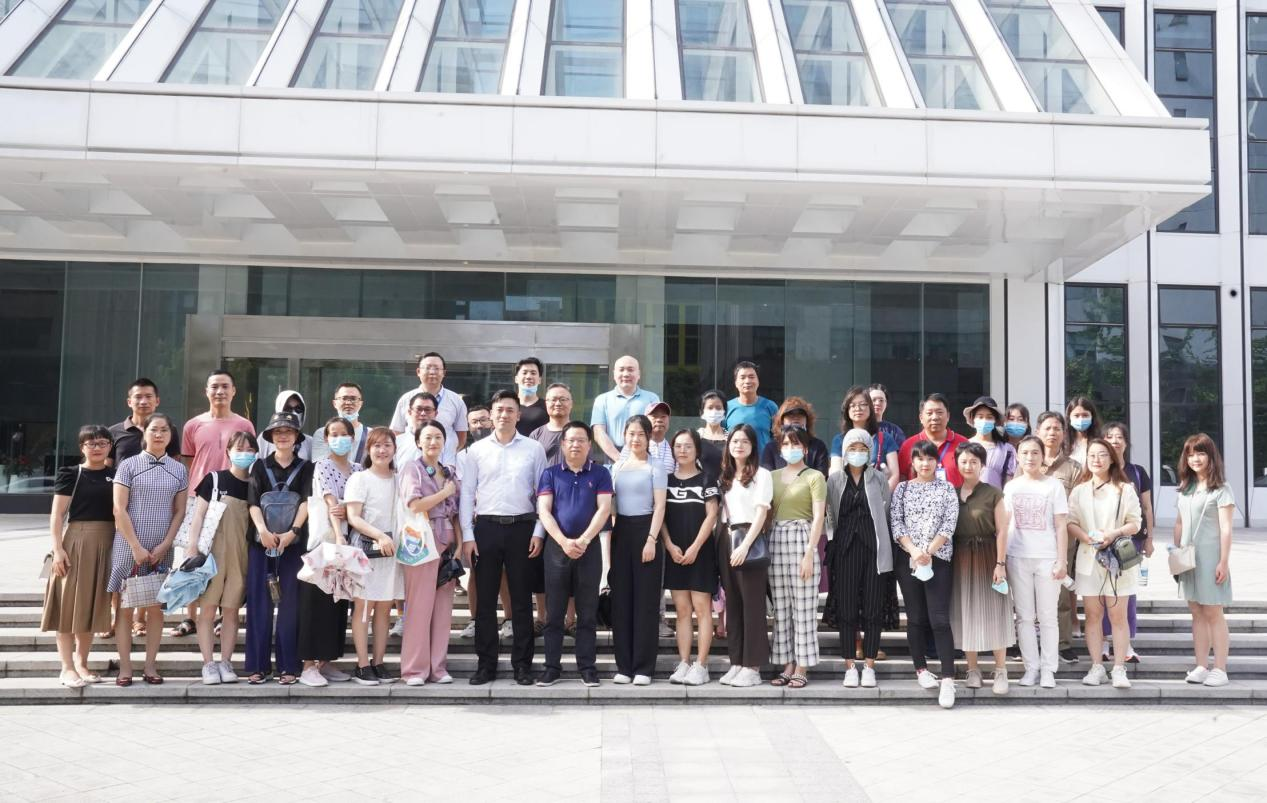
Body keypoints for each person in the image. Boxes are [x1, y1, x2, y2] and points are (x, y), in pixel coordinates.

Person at [459, 390, 548, 685]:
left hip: (523, 528)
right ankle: (486, 665)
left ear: (518, 415)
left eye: (510, 410)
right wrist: (468, 535)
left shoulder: (534, 449)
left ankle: (523, 665)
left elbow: (543, 493)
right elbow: (467, 494)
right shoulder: (477, 450)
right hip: (485, 529)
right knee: (485, 601)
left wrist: (539, 531)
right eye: (499, 410)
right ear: (491, 415)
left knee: (521, 600)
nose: (504, 415)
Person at [108, 413, 188, 686]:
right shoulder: (128, 465)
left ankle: (150, 666)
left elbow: (180, 511)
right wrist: (135, 546)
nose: (159, 434)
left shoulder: (178, 469)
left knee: (156, 608)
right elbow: (119, 509)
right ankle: (125, 668)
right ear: (144, 432)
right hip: (128, 545)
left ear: (170, 435)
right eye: (154, 429)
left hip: (161, 548)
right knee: (125, 607)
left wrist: (166, 544)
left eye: (164, 430)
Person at [536, 421, 613, 687]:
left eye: (581, 440)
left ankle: (587, 668)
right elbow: (544, 510)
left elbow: (604, 509)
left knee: (587, 613)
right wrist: (563, 541)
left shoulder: (601, 473)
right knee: (554, 613)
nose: (576, 445)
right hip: (556, 550)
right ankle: (551, 668)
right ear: (562, 444)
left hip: (589, 549)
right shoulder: (550, 474)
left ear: (590, 445)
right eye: (571, 440)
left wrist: (583, 540)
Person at [42, 426, 115, 687]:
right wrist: (58, 549)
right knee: (67, 606)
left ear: (110, 446)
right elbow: (57, 514)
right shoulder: (71, 473)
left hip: (108, 542)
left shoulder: (116, 475)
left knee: (93, 605)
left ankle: (82, 663)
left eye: (103, 443)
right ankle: (67, 667)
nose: (97, 448)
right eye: (91, 443)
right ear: (81, 447)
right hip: (76, 541)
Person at [1068, 438, 1142, 690]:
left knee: (1118, 616)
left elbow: (1136, 523)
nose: (1096, 460)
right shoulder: (1079, 491)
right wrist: (1085, 537)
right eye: (1092, 455)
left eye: (1102, 455)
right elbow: (1070, 521)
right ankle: (1097, 666)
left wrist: (1113, 533)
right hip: (1089, 559)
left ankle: (1119, 668)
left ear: (1111, 458)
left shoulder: (1125, 489)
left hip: (1117, 560)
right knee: (1092, 615)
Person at [891, 440, 960, 708]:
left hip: (938, 559)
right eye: (920, 458)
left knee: (939, 619)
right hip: (908, 559)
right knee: (916, 618)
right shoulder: (902, 489)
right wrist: (913, 551)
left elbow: (949, 524)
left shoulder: (946, 489)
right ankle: (920, 669)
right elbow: (896, 523)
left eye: (930, 458)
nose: (925, 463)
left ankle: (948, 678)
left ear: (937, 462)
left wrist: (928, 551)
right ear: (912, 462)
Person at [243, 411, 311, 686]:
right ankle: (258, 666)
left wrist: (292, 532)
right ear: (271, 437)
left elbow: (306, 501)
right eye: (278, 432)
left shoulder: (307, 467)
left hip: (293, 545)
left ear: (296, 437)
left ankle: (288, 666)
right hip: (262, 544)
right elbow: (253, 502)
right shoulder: (259, 466)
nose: (283, 435)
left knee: (290, 605)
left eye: (289, 431)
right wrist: (262, 531)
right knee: (259, 604)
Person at [184, 431, 255, 685]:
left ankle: (226, 662)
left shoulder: (255, 484)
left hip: (241, 555)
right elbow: (198, 515)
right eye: (239, 449)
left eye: (249, 449)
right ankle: (208, 664)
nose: (244, 454)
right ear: (228, 452)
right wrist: (193, 546)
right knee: (207, 610)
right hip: (211, 555)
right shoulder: (214, 479)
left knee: (232, 612)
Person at [825, 429, 893, 689]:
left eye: (862, 448)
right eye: (852, 448)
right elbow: (830, 513)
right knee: (847, 610)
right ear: (844, 451)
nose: (857, 453)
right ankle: (850, 667)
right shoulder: (834, 479)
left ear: (869, 451)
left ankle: (870, 666)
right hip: (845, 550)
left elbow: (885, 511)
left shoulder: (879, 478)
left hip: (874, 550)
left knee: (874, 610)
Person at [298, 416, 361, 687]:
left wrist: (348, 513)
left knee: (338, 603)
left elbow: (358, 503)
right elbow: (330, 501)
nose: (339, 439)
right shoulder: (322, 465)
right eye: (333, 434)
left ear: (352, 437)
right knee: (316, 602)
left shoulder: (358, 469)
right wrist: (339, 534)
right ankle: (308, 665)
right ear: (326, 439)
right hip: (326, 543)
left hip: (349, 544)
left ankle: (326, 661)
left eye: (343, 434)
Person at [1004, 435, 1070, 689]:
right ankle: (1031, 668)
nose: (1030, 457)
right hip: (1017, 556)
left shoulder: (1054, 486)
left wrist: (1062, 560)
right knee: (1024, 617)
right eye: (1025, 453)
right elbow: (1005, 525)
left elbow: (1061, 525)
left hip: (1047, 558)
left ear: (1043, 457)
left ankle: (1048, 669)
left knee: (1048, 616)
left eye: (1035, 453)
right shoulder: (1011, 487)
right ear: (1018, 457)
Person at [399, 420, 462, 686]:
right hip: (422, 542)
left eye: (438, 437)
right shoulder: (412, 469)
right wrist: (445, 492)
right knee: (419, 607)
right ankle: (414, 670)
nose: (433, 442)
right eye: (427, 437)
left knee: (443, 609)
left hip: (448, 542)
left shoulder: (448, 472)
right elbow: (414, 505)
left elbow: (456, 512)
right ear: (418, 442)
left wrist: (460, 545)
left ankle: (438, 667)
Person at [606, 415, 667, 684]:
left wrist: (652, 539)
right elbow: (610, 506)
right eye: (631, 433)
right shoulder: (617, 467)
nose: (635, 439)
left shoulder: (656, 466)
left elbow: (660, 506)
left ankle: (643, 668)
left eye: (641, 434)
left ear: (648, 436)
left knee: (645, 602)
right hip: (621, 532)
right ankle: (624, 666)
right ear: (624, 436)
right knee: (622, 601)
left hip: (647, 530)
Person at [949, 441, 1013, 695]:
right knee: (966, 611)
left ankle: (1001, 670)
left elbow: (1002, 530)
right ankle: (972, 669)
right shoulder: (951, 493)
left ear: (982, 465)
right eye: (964, 461)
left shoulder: (993, 493)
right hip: (961, 558)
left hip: (988, 555)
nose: (968, 466)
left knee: (995, 610)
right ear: (957, 464)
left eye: (974, 462)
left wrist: (1000, 563)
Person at [1173, 434, 1236, 687]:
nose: (1195, 459)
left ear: (1211, 456)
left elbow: (1226, 529)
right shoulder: (1185, 488)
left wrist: (1223, 562)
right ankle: (1201, 665)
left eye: (1200, 453)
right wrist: (1176, 553)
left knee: (1212, 611)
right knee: (1196, 611)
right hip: (1187, 558)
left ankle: (1220, 669)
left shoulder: (1221, 489)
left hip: (1211, 558)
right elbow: (1179, 523)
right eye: (1190, 454)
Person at [767, 426, 827, 689]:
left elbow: (818, 517)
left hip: (803, 538)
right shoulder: (771, 476)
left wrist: (810, 553)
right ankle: (786, 664)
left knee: (803, 608)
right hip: (776, 540)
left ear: (805, 448)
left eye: (796, 444)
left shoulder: (815, 476)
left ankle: (802, 666)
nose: (790, 448)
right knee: (781, 609)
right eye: (786, 444)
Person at [345, 427, 405, 685]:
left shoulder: (400, 479)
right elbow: (353, 517)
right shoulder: (360, 479)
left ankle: (378, 662)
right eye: (377, 445)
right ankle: (362, 665)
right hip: (367, 549)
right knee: (363, 608)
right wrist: (380, 536)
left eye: (387, 445)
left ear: (394, 449)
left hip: (393, 551)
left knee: (384, 608)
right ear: (368, 449)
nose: (382, 450)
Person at [662, 429, 719, 686]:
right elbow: (661, 517)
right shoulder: (666, 481)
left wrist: (695, 547)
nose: (682, 450)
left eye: (688, 446)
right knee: (682, 610)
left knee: (702, 609)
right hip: (675, 553)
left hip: (701, 553)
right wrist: (669, 545)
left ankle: (701, 665)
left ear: (697, 450)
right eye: (678, 446)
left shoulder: (707, 479)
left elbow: (712, 515)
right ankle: (684, 662)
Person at [717, 424, 772, 688]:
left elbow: (762, 513)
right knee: (734, 605)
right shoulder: (725, 477)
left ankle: (753, 666)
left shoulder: (762, 475)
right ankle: (737, 662)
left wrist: (745, 546)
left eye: (744, 441)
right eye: (735, 441)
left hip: (749, 539)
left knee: (752, 606)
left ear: (752, 446)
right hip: (726, 539)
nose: (739, 445)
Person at [1101, 421, 1155, 662]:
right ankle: (1104, 640)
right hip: (1103, 541)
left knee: (1128, 592)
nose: (1115, 440)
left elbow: (1147, 507)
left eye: (1119, 436)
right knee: (1102, 592)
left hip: (1130, 542)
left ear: (1126, 442)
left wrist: (1149, 538)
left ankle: (1125, 644)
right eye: (1110, 436)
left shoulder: (1137, 472)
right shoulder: (1099, 469)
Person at [1035, 410, 1082, 664]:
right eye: (1047, 428)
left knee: (1062, 595)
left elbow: (1077, 506)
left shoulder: (1074, 468)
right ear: (1038, 432)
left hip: (1062, 542)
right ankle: (1029, 643)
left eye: (1057, 428)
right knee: (1030, 594)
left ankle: (1063, 644)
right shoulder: (1028, 461)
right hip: (1031, 540)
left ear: (1064, 434)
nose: (1052, 433)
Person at [390, 352, 468, 464]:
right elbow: (397, 432)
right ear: (418, 372)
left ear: (444, 373)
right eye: (427, 368)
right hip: (411, 461)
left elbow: (461, 435)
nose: (432, 372)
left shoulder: (456, 400)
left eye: (436, 368)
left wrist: (449, 453)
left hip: (444, 463)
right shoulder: (406, 399)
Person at [591, 355, 660, 464]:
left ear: (638, 374)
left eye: (630, 370)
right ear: (614, 374)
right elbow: (599, 433)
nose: (626, 374)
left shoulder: (652, 398)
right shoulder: (602, 400)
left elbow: (655, 431)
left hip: (644, 460)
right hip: (612, 461)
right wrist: (619, 459)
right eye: (621, 370)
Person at [830, 386, 899, 487]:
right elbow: (835, 473)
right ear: (847, 410)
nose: (857, 409)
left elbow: (894, 475)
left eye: (863, 404)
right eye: (852, 405)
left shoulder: (886, 438)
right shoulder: (839, 440)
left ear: (870, 408)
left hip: (878, 493)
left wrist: (882, 494)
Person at [897, 393, 969, 487]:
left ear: (948, 416)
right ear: (921, 418)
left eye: (939, 412)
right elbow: (902, 477)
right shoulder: (908, 445)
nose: (934, 417)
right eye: (929, 413)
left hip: (956, 496)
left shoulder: (963, 444)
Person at [108, 378, 181, 464]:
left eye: (148, 396)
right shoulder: (114, 432)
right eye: (138, 397)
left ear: (157, 401)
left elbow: (174, 462)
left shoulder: (169, 429)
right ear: (129, 402)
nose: (143, 402)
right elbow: (107, 465)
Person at [759, 397, 829, 475]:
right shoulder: (771, 448)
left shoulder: (818, 446)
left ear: (807, 420)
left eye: (800, 415)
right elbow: (767, 477)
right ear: (782, 421)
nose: (796, 418)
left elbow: (821, 476)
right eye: (790, 415)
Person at [725, 361, 779, 454]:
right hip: (735, 461)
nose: (747, 381)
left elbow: (778, 436)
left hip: (764, 461)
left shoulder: (770, 406)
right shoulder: (726, 407)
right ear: (736, 383)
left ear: (758, 381)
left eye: (751, 377)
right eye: (742, 377)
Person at [963, 396, 1017, 489]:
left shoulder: (1007, 450)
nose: (984, 420)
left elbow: (1009, 484)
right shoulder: (964, 446)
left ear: (995, 420)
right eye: (980, 417)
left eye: (989, 417)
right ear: (973, 418)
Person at [309, 383, 368, 463]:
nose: (348, 402)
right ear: (335, 403)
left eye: (353, 398)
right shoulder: (322, 433)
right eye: (344, 398)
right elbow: (320, 465)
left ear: (360, 404)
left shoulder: (371, 434)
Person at [623, 401, 676, 475]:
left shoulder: (674, 448)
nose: (659, 420)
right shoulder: (633, 446)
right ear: (646, 420)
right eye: (654, 416)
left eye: (663, 416)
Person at [258, 390, 310, 462]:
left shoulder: (309, 442)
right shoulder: (264, 439)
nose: (294, 413)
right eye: (288, 408)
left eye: (298, 409)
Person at [529, 383, 574, 466]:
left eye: (563, 399)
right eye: (553, 400)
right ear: (546, 404)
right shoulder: (536, 435)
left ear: (571, 404)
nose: (558, 404)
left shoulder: (580, 433)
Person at [395, 392, 437, 467]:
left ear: (435, 413)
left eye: (427, 409)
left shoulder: (444, 443)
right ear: (409, 412)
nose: (423, 413)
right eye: (419, 409)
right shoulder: (396, 443)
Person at [696, 390, 728, 480]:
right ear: (702, 412)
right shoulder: (695, 438)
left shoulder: (731, 439)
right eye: (710, 408)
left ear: (724, 412)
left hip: (726, 486)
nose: (714, 411)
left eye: (718, 408)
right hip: (700, 486)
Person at [515, 357, 549, 436]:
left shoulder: (548, 407)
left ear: (540, 380)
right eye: (524, 373)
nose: (528, 377)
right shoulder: (508, 406)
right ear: (516, 379)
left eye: (533, 373)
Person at [1065, 396, 1102, 465]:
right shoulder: (1063, 442)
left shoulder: (1100, 440)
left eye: (1085, 415)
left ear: (1092, 417)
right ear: (1069, 417)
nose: (1081, 419)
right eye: (1076, 415)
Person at [867, 383, 906, 448]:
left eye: (881, 400)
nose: (877, 403)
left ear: (886, 403)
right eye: (873, 400)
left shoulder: (895, 431)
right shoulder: (860, 427)